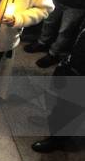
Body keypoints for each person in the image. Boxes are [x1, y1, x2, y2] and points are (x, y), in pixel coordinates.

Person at [31, 24, 85, 153]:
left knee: (70, 108)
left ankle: (58, 140)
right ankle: (55, 124)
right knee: (62, 103)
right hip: (74, 66)